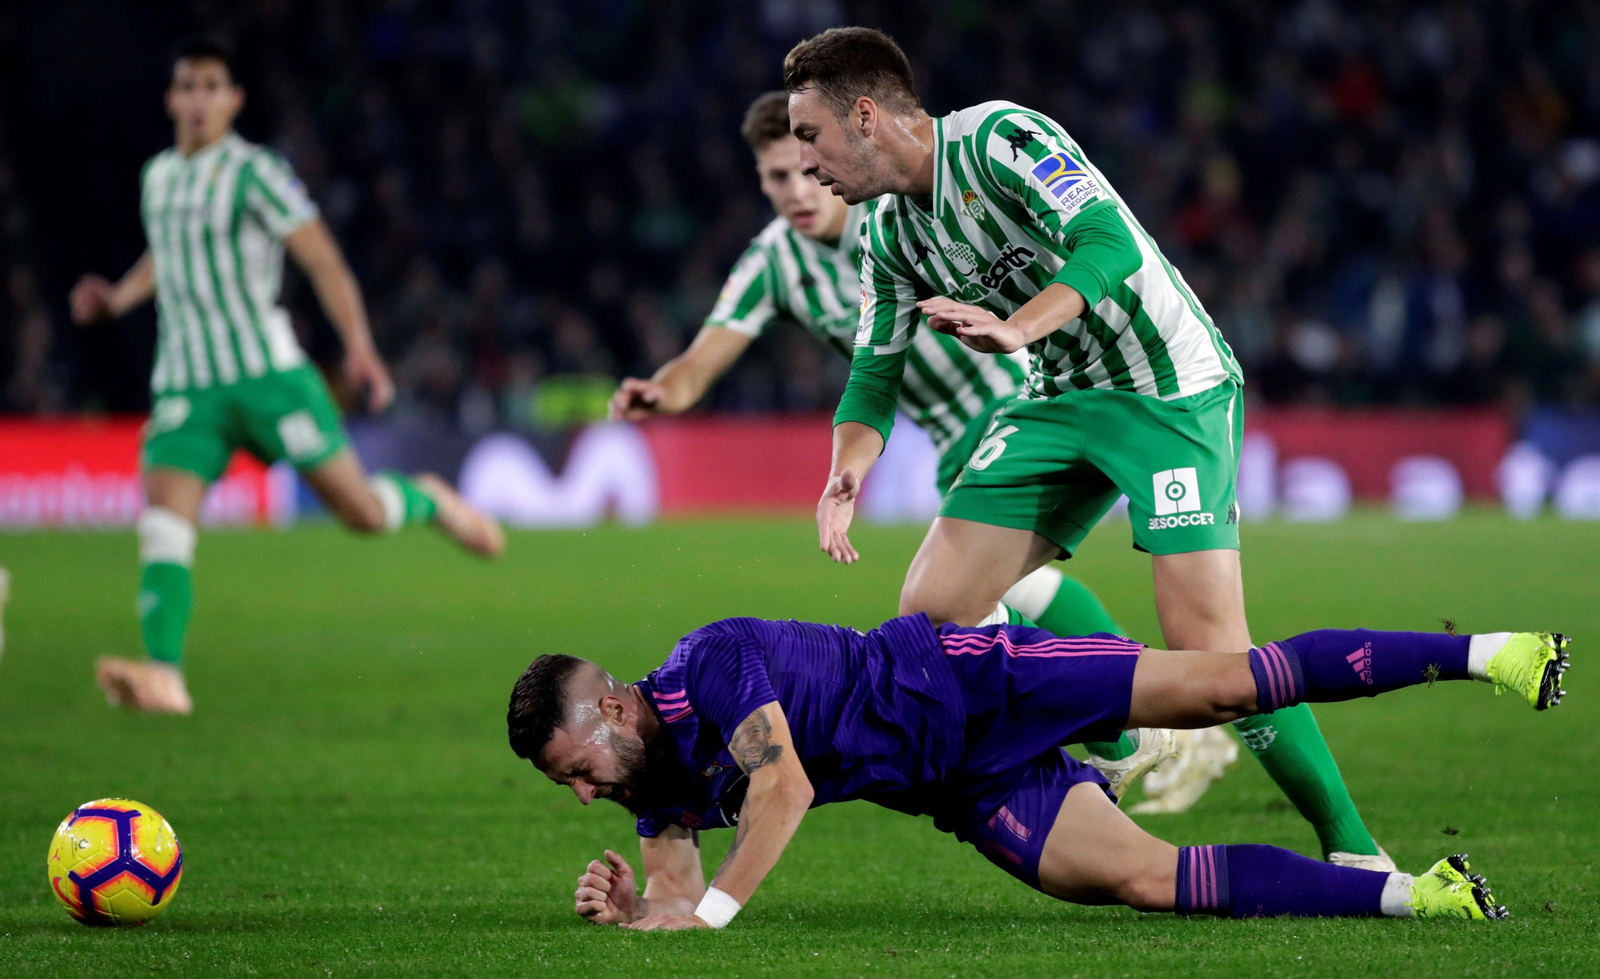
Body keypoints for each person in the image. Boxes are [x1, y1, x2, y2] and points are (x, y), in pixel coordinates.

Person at [785, 27, 1388, 863]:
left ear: (864, 115)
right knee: (932, 614)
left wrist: (1017, 327)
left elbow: (1110, 241)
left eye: (810, 137)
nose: (807, 165)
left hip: (1165, 386)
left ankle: (1353, 847)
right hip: (1059, 396)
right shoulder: (890, 237)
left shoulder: (1002, 139)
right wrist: (846, 471)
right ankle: (1122, 737)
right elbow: (873, 375)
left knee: (1213, 652)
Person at [609, 90, 1214, 802]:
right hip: (948, 431)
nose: (799, 189)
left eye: (808, 167)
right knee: (973, 603)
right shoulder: (774, 261)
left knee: (998, 592)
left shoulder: (889, 201)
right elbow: (707, 360)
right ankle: (1136, 728)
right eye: (777, 176)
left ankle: (1135, 725)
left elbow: (1078, 238)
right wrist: (665, 391)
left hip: (1014, 398)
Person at [509, 615, 1570, 930]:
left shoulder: (712, 666)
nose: (585, 792)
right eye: (574, 787)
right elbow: (682, 895)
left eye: (579, 766)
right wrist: (630, 905)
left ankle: (1486, 654)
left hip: (980, 684)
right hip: (959, 783)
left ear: (609, 707)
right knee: (1142, 880)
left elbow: (778, 791)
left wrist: (699, 919)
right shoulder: (650, 780)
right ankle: (1419, 898)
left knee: (1225, 687)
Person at [68, 35, 504, 714]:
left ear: (234, 99)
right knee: (162, 523)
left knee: (360, 513)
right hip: (186, 383)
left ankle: (429, 499)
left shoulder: (257, 172)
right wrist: (118, 297)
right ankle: (165, 674)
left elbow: (323, 260)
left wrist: (359, 347)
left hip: (270, 375)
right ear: (171, 99)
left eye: (214, 86)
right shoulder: (158, 176)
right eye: (189, 86)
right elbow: (170, 255)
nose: (200, 99)